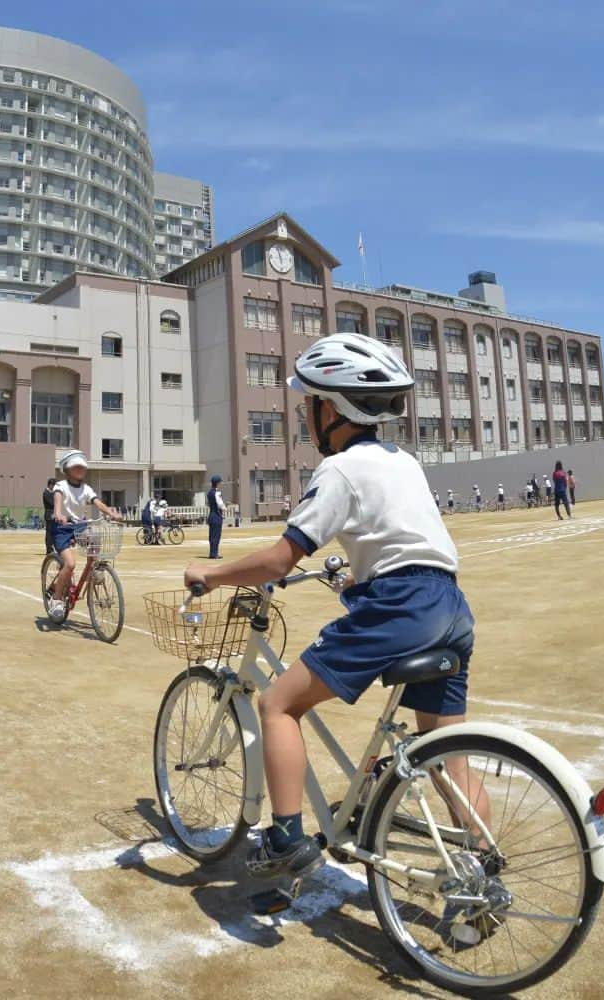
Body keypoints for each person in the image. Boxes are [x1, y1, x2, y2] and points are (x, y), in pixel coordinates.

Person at [184, 334, 479, 880]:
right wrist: (351, 574)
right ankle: (482, 870)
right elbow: (398, 540)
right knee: (446, 753)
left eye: (309, 404)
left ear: (333, 409)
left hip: (399, 606)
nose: (304, 416)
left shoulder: (340, 469)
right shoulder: (402, 461)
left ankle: (285, 840)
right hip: (450, 605)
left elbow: (279, 560)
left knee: (278, 705)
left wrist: (212, 572)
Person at [47, 450, 120, 621]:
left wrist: (110, 512)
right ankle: (57, 600)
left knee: (94, 538)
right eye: (76, 466)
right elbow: (58, 502)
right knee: (70, 564)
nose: (80, 469)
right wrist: (58, 514)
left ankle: (92, 570)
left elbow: (96, 502)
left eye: (82, 466)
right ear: (67, 469)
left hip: (79, 526)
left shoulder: (86, 488)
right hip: (62, 528)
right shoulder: (61, 486)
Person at [206, 475, 227, 559]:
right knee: (216, 535)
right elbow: (220, 504)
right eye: (220, 482)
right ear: (217, 483)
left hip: (211, 514)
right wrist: (225, 508)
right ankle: (214, 554)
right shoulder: (217, 493)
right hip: (216, 516)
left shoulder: (209, 493)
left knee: (212, 535)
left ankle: (212, 552)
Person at [42, 477, 57, 555]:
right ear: (50, 485)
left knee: (53, 533)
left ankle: (52, 548)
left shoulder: (51, 493)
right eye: (53, 485)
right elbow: (52, 503)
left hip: (53, 515)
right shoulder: (46, 493)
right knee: (49, 533)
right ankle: (49, 549)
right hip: (49, 515)